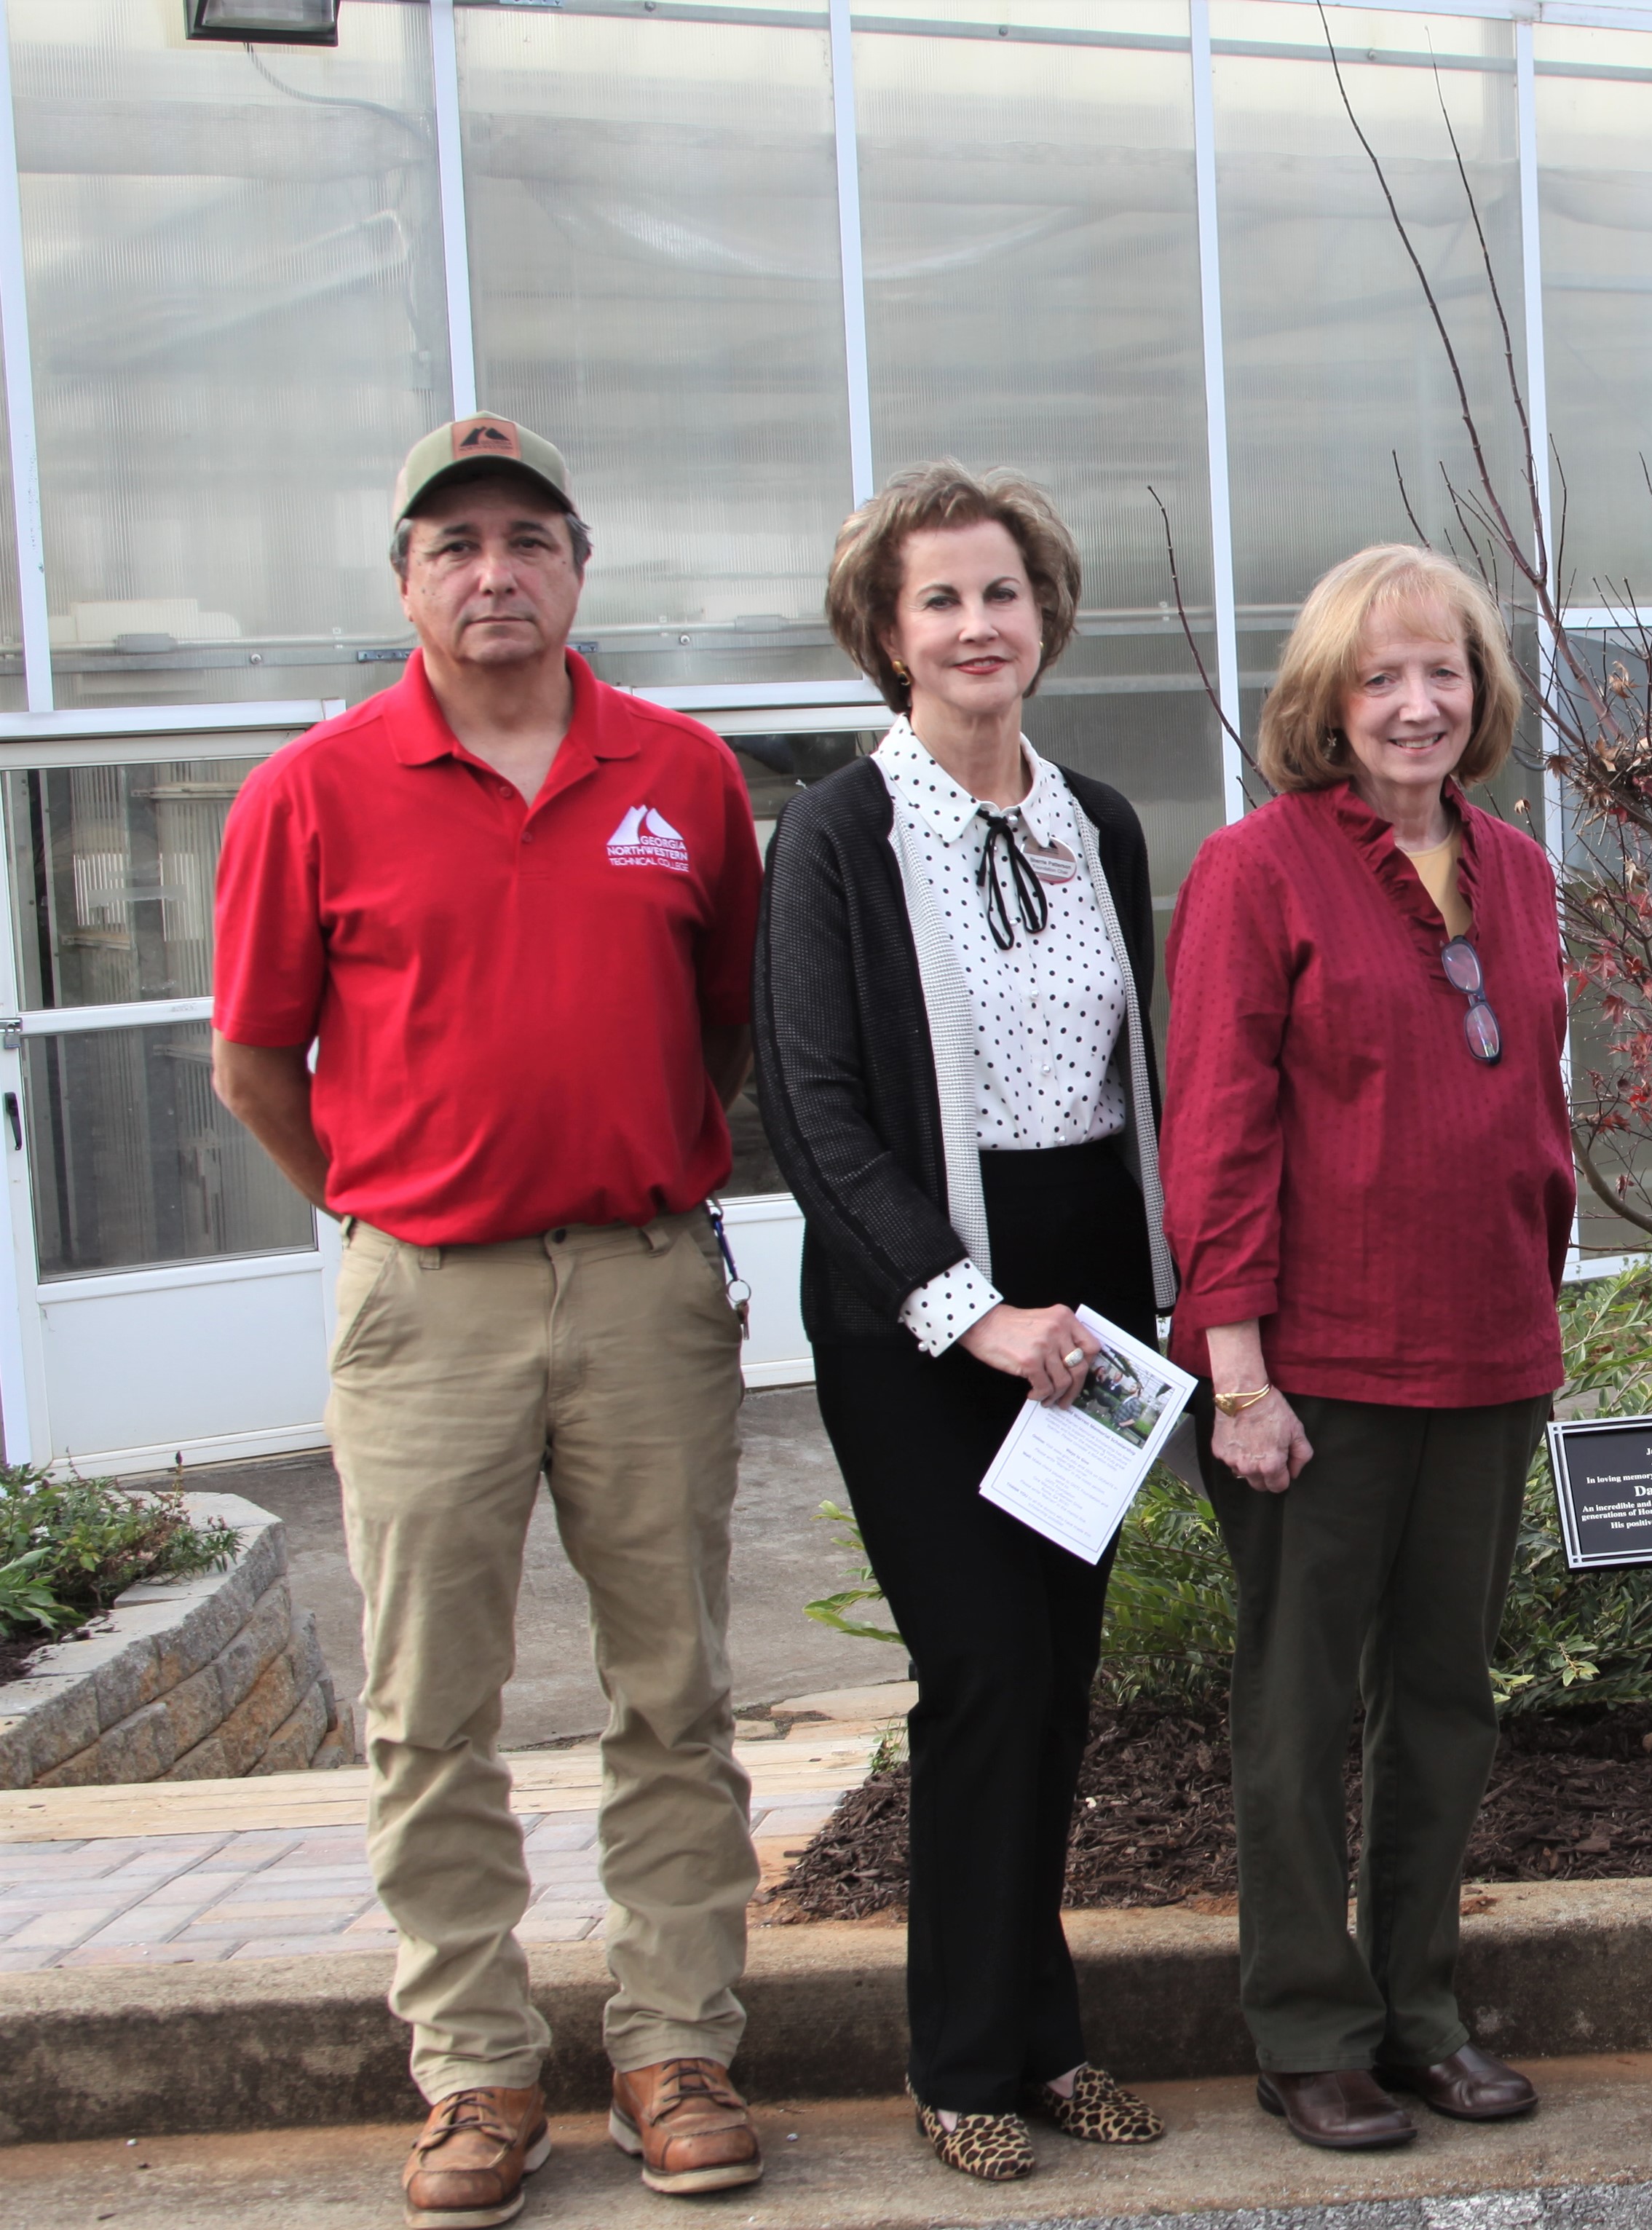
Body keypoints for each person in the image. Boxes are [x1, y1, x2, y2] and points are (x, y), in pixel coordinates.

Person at [209, 417, 769, 2228]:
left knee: (671, 1689)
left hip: (642, 1282)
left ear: (579, 567)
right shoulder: (311, 789)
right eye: (454, 547)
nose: (494, 571)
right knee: (429, 1707)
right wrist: (388, 1202)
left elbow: (726, 1025)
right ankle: (478, 2072)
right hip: (423, 1294)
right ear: (406, 582)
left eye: (528, 538)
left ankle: (676, 2050)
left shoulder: (680, 774)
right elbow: (251, 1065)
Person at [751, 462, 1174, 2182]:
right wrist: (973, 1308)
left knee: (1058, 1676)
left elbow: (1128, 1081)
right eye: (938, 599)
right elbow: (814, 1104)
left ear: (1043, 614)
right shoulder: (842, 831)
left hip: (1094, 1300)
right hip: (917, 1307)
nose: (976, 624)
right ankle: (958, 2063)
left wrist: (1137, 1296)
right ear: (884, 632)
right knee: (983, 1665)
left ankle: (1043, 2028)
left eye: (1001, 592)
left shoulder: (1099, 819)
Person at [1163, 543, 1576, 2154]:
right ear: (1325, 706)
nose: (1416, 702)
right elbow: (1215, 1140)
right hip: (1316, 1372)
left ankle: (1418, 2009)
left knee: (1444, 1702)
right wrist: (1239, 1376)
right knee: (1295, 1709)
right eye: (1378, 677)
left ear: (1478, 692)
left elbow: (1528, 1114)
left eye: (1442, 671)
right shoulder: (1258, 870)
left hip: (1486, 1357)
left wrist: (1535, 1315)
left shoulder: (1522, 869)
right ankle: (1305, 2025)